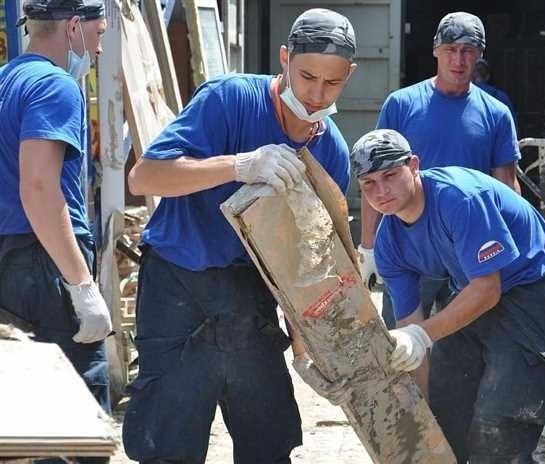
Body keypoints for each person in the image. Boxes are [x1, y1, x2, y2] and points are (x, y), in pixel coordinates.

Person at [122, 8, 357, 463]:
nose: (315, 95)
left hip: (250, 295)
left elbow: (304, 266)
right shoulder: (229, 99)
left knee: (269, 442)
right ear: (285, 59)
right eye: (307, 76)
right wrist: (238, 165)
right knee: (168, 442)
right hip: (179, 283)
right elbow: (144, 177)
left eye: (332, 83)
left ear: (350, 76)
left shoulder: (330, 152)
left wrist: (308, 350)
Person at [351, 129, 545, 463]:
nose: (381, 191)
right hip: (471, 286)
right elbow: (413, 329)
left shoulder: (459, 200)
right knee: (444, 412)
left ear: (413, 166)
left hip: (530, 285)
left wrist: (421, 335)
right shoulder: (389, 243)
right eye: (369, 183)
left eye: (390, 175)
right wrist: (420, 422)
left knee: (499, 425)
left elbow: (488, 289)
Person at [357, 11, 521, 330]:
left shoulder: (497, 114)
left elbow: (508, 187)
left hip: (467, 250)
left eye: (467, 51)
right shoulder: (401, 105)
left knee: (462, 349)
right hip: (410, 248)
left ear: (479, 55)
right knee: (403, 343)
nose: (458, 60)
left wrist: (509, 254)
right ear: (435, 51)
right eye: (450, 50)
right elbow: (374, 177)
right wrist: (369, 247)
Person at [0, 0, 111, 442]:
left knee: (23, 419)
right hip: (44, 264)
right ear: (72, 28)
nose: (99, 49)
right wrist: (82, 287)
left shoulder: (7, 79)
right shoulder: (56, 85)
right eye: (99, 34)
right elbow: (40, 190)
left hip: (11, 260)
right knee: (75, 424)